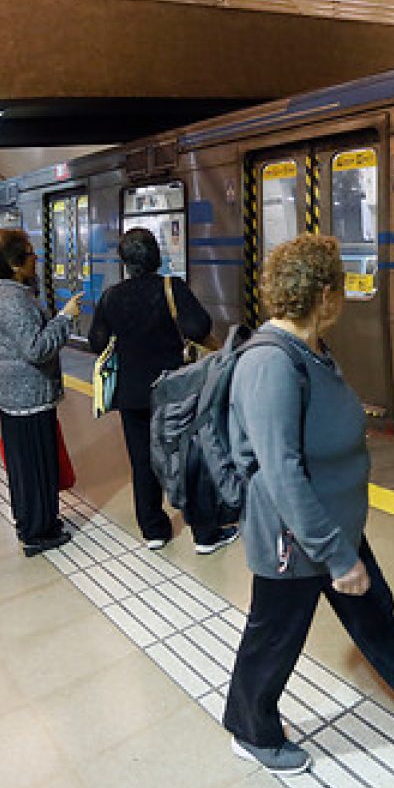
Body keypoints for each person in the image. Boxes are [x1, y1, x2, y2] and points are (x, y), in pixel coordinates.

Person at [222, 234, 394, 776]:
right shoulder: (271, 364)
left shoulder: (312, 349)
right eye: (341, 285)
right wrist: (336, 555)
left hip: (330, 524)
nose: (344, 294)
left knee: (375, 615)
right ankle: (250, 729)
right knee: (274, 636)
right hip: (294, 536)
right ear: (324, 293)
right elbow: (280, 471)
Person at [88, 227, 238, 554]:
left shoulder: (112, 296)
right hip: (174, 393)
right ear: (156, 255)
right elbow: (199, 328)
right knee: (188, 460)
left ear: (125, 262)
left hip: (131, 395)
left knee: (143, 463)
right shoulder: (171, 288)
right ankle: (204, 534)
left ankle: (154, 530)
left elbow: (96, 341)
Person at [0, 229, 82, 557]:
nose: (35, 259)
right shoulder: (13, 298)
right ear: (14, 263)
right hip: (27, 395)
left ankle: (31, 522)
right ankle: (39, 531)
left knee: (24, 466)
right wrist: (65, 319)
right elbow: (37, 349)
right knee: (37, 465)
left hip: (11, 393)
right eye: (29, 255)